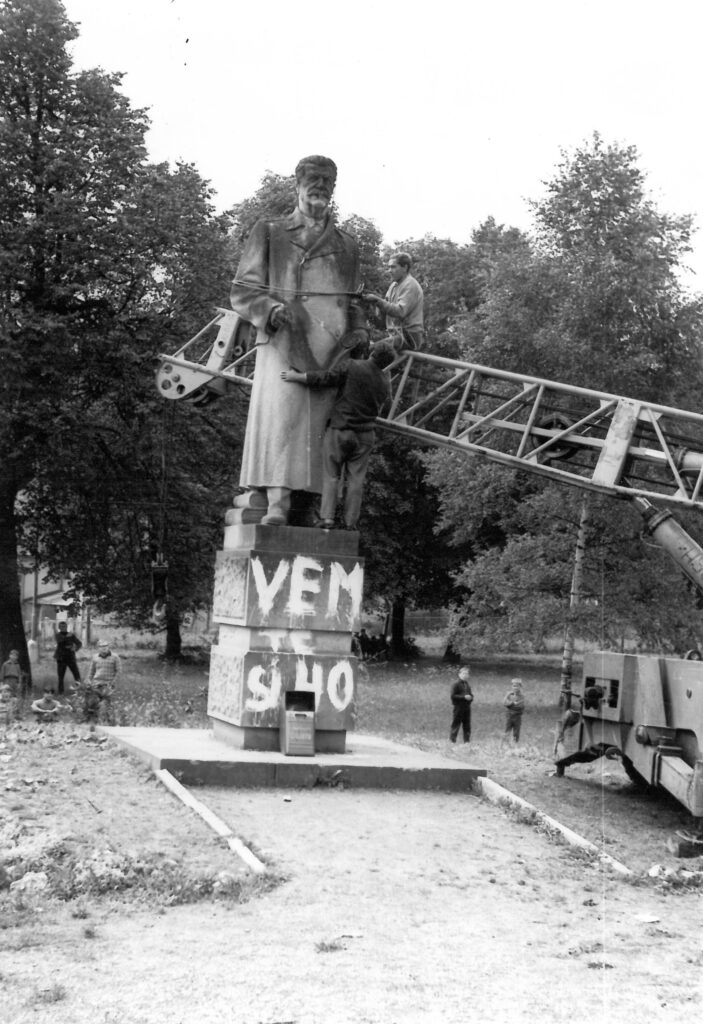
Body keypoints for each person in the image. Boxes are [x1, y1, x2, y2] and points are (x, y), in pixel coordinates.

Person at [230, 155, 369, 526]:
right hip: (282, 342)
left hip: (329, 351)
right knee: (281, 421)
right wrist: (271, 310)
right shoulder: (271, 231)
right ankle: (275, 501)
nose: (320, 185)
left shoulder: (347, 245)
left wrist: (360, 332)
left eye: (327, 180)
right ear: (297, 183)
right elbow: (243, 290)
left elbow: (354, 301)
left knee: (318, 432)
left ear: (334, 187)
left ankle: (305, 507)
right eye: (313, 178)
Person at [280, 340, 395, 529]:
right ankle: (350, 524)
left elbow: (327, 378)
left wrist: (298, 377)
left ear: (372, 352)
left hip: (340, 429)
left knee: (332, 475)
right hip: (365, 435)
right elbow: (387, 405)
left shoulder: (352, 366)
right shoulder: (384, 381)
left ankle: (327, 519)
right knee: (356, 481)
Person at [363, 252, 424, 351]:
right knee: (364, 346)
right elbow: (385, 308)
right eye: (389, 267)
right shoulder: (394, 285)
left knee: (372, 350)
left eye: (393, 267)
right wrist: (372, 302)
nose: (389, 271)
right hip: (397, 336)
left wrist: (377, 300)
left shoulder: (410, 285)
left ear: (405, 267)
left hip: (410, 337)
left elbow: (400, 311)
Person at [83, 639, 121, 723]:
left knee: (106, 705)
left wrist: (113, 682)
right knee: (91, 703)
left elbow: (118, 671)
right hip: (96, 683)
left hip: (108, 684)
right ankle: (90, 720)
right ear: (98, 648)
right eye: (102, 646)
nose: (104, 648)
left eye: (105, 646)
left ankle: (107, 721)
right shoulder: (95, 657)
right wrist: (88, 680)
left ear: (108, 647)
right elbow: (91, 671)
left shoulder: (115, 657)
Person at [53, 620, 82, 695]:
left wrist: (75, 648)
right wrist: (67, 637)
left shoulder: (71, 635)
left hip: (70, 657)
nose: (63, 628)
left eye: (64, 626)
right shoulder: (58, 635)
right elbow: (60, 641)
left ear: (66, 627)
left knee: (76, 674)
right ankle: (60, 692)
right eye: (61, 626)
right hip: (61, 658)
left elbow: (79, 643)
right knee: (61, 676)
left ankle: (79, 691)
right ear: (59, 627)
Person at [450, 665, 473, 744]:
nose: (465, 675)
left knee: (467, 725)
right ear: (459, 674)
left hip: (467, 707)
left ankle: (467, 741)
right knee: (456, 723)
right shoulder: (456, 684)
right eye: (463, 674)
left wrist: (471, 697)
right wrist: (463, 697)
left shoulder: (467, 685)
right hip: (458, 707)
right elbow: (453, 696)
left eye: (467, 674)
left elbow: (471, 694)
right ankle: (452, 740)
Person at [502, 677, 525, 744]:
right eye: (514, 686)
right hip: (509, 715)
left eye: (517, 686)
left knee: (516, 731)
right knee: (507, 730)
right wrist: (512, 703)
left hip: (517, 716)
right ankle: (505, 743)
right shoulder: (509, 694)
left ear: (520, 687)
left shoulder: (521, 696)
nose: (515, 688)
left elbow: (519, 706)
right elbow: (504, 703)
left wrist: (510, 705)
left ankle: (515, 743)